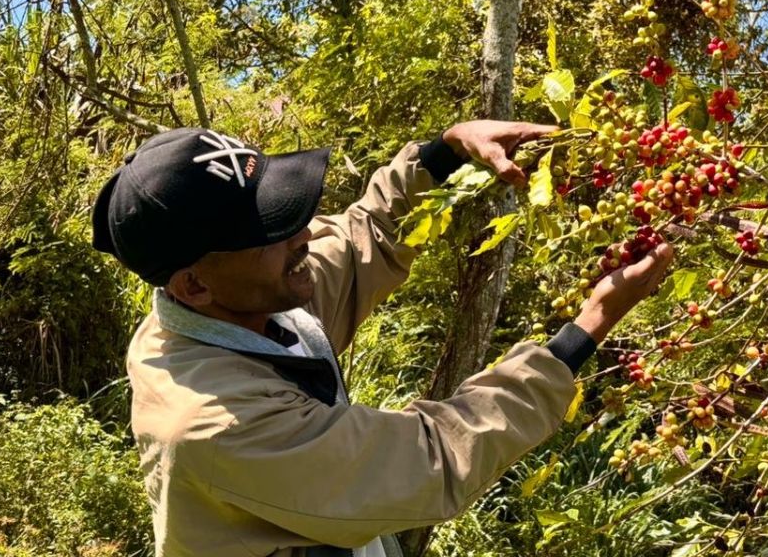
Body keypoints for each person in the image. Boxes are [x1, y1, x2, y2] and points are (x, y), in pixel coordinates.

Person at [91, 120, 674, 557]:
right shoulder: (216, 424)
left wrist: (446, 151)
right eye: (271, 228)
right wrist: (591, 325)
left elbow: (361, 236)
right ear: (193, 284)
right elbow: (434, 457)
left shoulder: (241, 302)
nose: (301, 232)